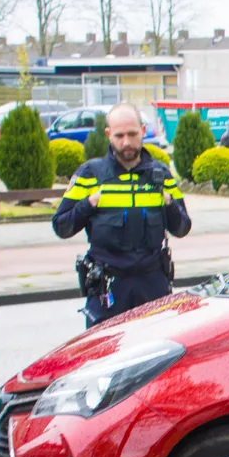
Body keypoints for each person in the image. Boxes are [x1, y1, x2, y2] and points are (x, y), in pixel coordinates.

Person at [52, 103, 191, 327]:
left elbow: (183, 227)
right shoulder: (90, 175)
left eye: (132, 134)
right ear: (109, 134)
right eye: (119, 136)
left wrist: (169, 202)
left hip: (152, 288)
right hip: (109, 290)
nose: (126, 142)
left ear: (143, 131)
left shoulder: (160, 175)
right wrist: (89, 203)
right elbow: (61, 226)